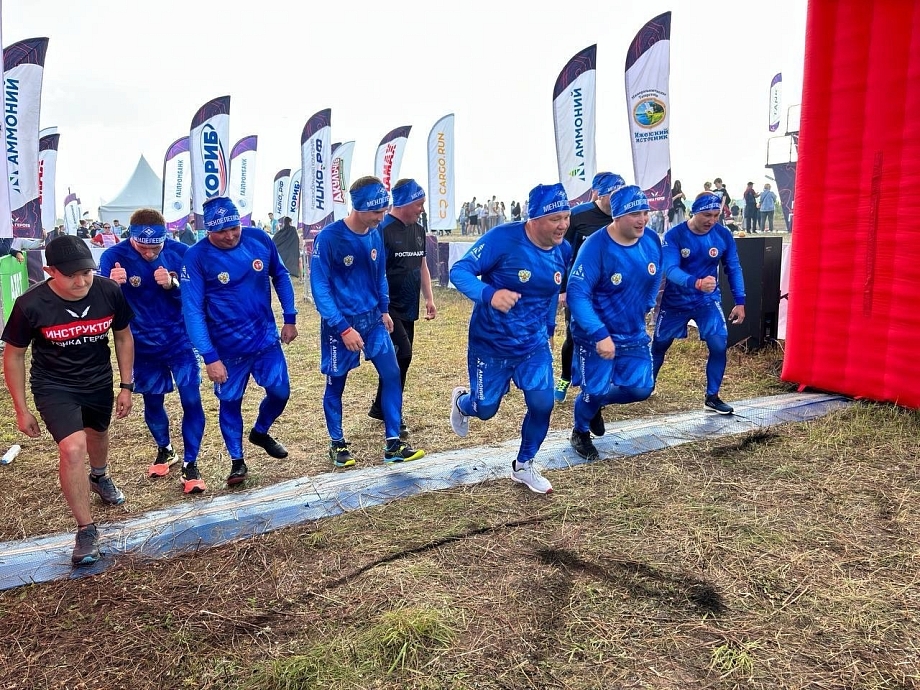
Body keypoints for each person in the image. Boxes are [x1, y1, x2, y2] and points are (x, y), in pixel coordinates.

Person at [2, 235, 134, 566]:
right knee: (73, 448)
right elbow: (14, 355)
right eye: (71, 274)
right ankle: (86, 530)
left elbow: (123, 335)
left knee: (97, 435)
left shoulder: (108, 291)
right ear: (49, 271)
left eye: (86, 272)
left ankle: (100, 476)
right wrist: (21, 408)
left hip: (98, 381)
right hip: (54, 385)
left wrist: (127, 385)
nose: (81, 281)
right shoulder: (30, 304)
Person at [449, 182, 572, 495]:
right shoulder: (504, 239)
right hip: (490, 345)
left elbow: (549, 294)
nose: (562, 225)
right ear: (533, 219)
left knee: (542, 403)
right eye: (554, 218)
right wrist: (489, 295)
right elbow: (459, 271)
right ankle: (464, 403)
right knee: (486, 410)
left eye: (566, 216)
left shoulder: (563, 250)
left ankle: (524, 465)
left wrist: (547, 327)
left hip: (532, 346)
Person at [310, 176, 426, 468]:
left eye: (384, 210)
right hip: (341, 327)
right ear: (359, 208)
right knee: (337, 384)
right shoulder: (329, 238)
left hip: (374, 321)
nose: (381, 217)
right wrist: (343, 327)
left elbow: (379, 275)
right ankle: (337, 444)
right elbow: (319, 288)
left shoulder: (375, 234)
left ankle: (393, 444)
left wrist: (385, 309)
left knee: (392, 373)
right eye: (376, 212)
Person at [181, 197, 298, 486]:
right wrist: (209, 357)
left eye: (234, 227)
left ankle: (260, 431)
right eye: (221, 231)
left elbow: (280, 276)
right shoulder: (195, 257)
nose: (230, 235)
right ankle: (237, 461)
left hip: (265, 340)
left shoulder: (259, 238)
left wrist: (290, 316)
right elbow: (192, 310)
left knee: (280, 393)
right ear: (208, 230)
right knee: (230, 402)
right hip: (226, 350)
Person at [99, 209, 207, 494]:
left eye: (155, 247)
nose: (149, 253)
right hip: (141, 345)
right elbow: (102, 305)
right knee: (153, 403)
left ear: (165, 237)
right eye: (143, 247)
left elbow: (197, 297)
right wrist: (110, 286)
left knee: (192, 401)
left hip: (180, 341)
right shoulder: (113, 257)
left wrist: (173, 286)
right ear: (131, 237)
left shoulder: (182, 252)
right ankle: (165, 449)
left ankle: (191, 463)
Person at [566, 186, 662, 461]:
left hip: (632, 333)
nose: (643, 219)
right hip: (595, 335)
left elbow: (657, 271)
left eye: (645, 212)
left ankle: (595, 404)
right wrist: (599, 334)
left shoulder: (651, 240)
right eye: (635, 214)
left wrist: (648, 302)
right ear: (618, 216)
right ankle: (580, 431)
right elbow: (577, 293)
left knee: (641, 388)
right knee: (594, 388)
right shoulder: (595, 246)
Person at [652, 193, 746, 414]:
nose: (711, 220)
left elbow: (733, 267)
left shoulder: (722, 234)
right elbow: (670, 269)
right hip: (675, 302)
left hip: (706, 300)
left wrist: (740, 301)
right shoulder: (674, 235)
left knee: (718, 344)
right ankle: (647, 384)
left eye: (716, 215)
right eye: (706, 215)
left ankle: (712, 397)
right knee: (660, 345)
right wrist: (696, 283)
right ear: (692, 212)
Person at [367, 179, 437, 440]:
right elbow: (372, 271)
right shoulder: (381, 230)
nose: (421, 209)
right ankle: (392, 411)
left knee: (400, 360)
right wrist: (378, 307)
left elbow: (422, 266)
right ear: (405, 203)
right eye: (418, 204)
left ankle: (379, 406)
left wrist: (429, 298)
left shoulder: (418, 230)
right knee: (402, 356)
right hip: (386, 307)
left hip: (409, 307)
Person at [555, 172, 626, 406]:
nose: (617, 200)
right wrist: (563, 288)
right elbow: (564, 254)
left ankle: (601, 384)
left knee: (611, 335)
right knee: (574, 336)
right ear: (599, 194)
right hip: (581, 287)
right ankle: (565, 378)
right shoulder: (578, 216)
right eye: (613, 195)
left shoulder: (624, 216)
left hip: (612, 290)